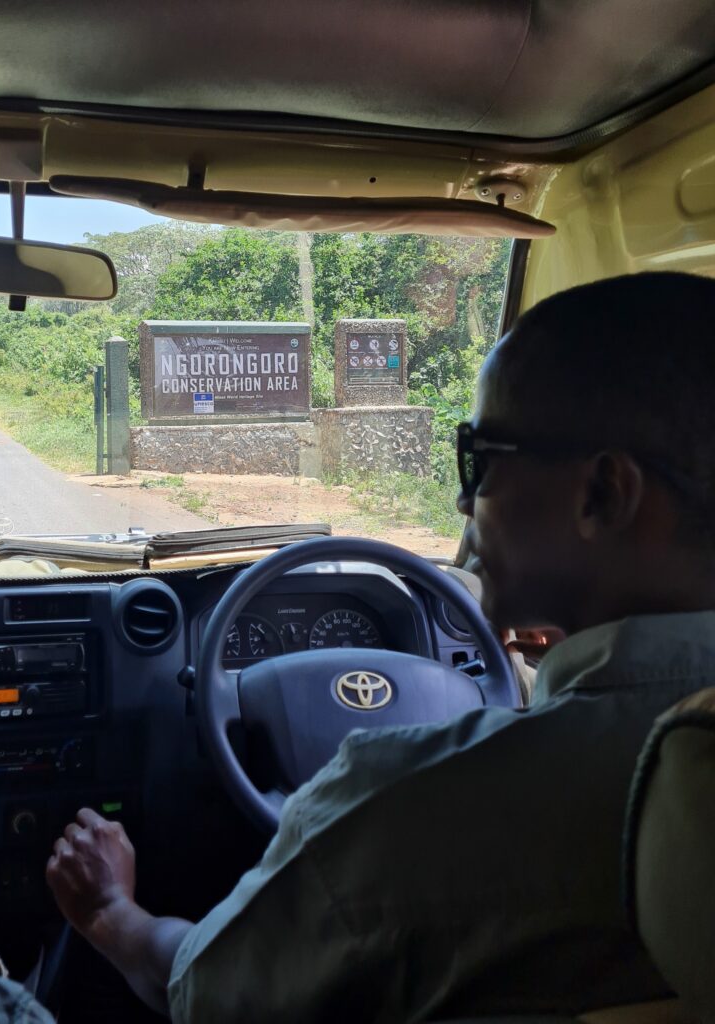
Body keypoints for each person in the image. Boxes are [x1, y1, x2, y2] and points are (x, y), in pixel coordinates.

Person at [45, 271, 715, 1022]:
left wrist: (110, 911)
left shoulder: (399, 803)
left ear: (603, 496)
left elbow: (204, 992)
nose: (463, 502)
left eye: (478, 457)